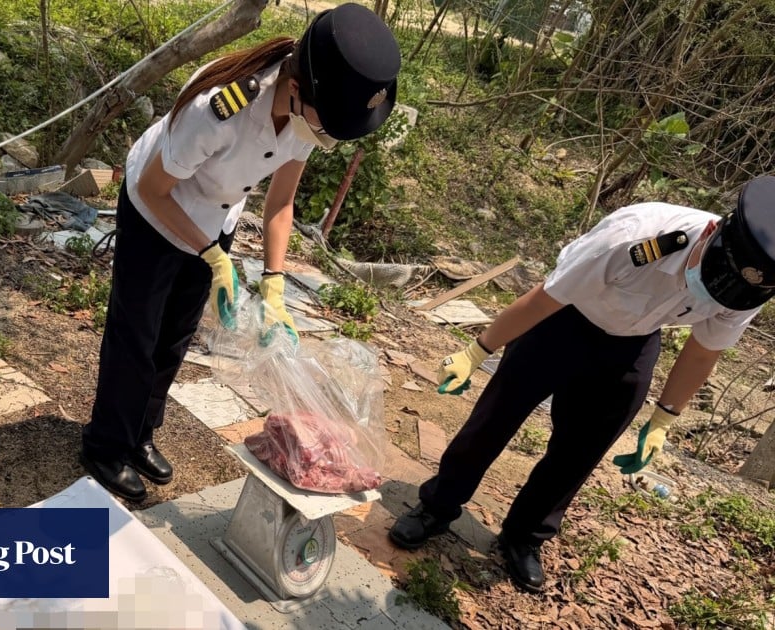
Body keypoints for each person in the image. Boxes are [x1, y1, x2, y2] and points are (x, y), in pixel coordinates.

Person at [388, 176, 775, 593]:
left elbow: (703, 352)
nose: (719, 290)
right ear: (714, 230)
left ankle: (524, 536)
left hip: (634, 341)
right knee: (495, 418)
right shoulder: (631, 237)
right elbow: (543, 298)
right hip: (562, 319)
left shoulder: (747, 286)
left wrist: (664, 418)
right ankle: (437, 506)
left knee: (581, 450)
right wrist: (477, 351)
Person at [80, 4, 402, 502]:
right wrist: (213, 257)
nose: (326, 137)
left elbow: (281, 203)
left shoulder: (308, 112)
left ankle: (139, 435)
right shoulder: (218, 109)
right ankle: (105, 446)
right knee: (136, 336)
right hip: (157, 210)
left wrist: (274, 284)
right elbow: (153, 188)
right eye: (328, 126)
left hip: (215, 218)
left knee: (175, 337)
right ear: (296, 88)